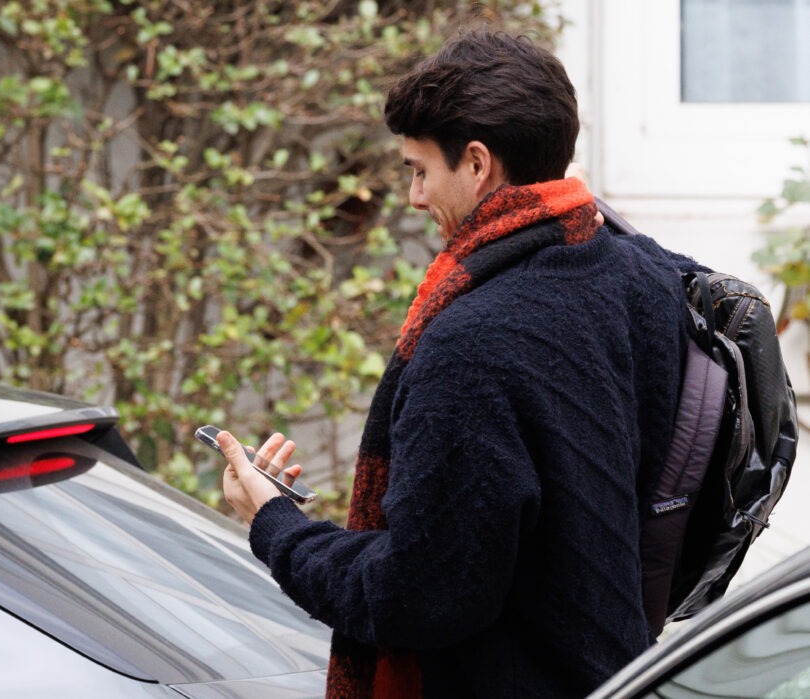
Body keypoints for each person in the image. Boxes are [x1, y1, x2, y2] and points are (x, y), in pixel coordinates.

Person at [219, 32, 699, 697]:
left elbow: (420, 596)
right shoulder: (638, 274)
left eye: (420, 171)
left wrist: (276, 525)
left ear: (477, 163)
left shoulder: (473, 344)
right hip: (617, 671)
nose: (414, 197)